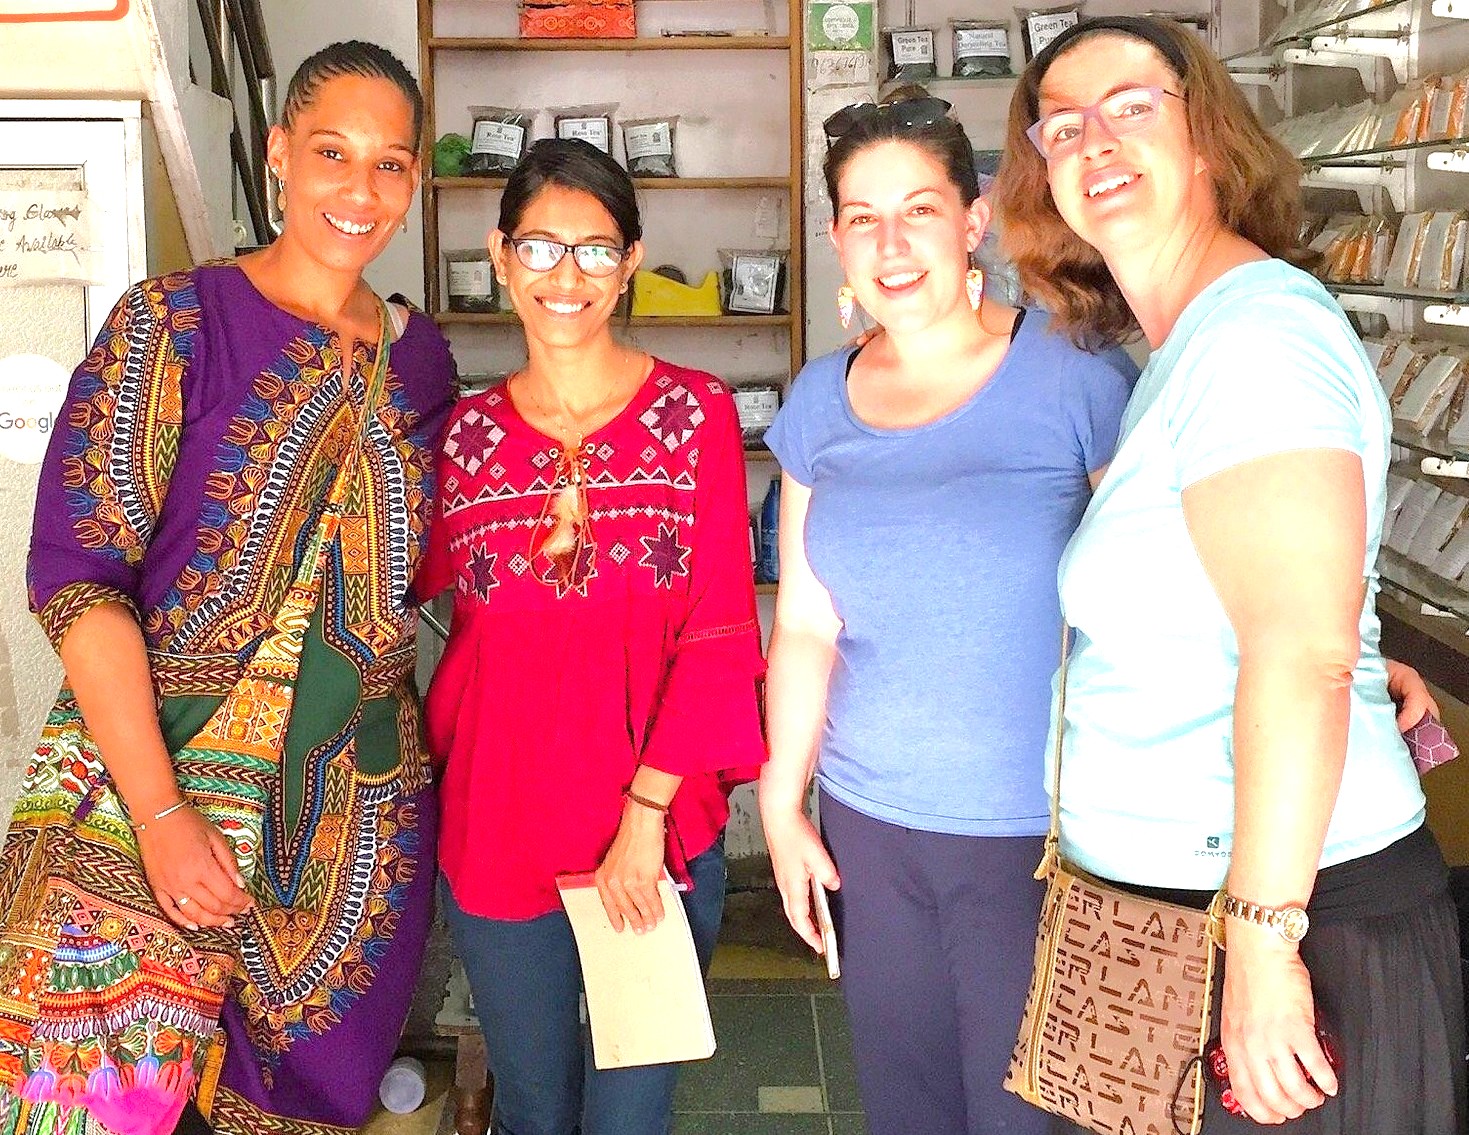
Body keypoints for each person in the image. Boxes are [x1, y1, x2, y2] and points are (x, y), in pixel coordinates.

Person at [993, 15, 1466, 1132]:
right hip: (1177, 914)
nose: (1094, 140)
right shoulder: (1186, 343)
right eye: (1061, 126)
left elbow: (1299, 657)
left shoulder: (1255, 337)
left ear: (1206, 135)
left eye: (1130, 107)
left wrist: (1260, 945)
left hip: (1281, 923)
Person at [4, 41, 455, 1135]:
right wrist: (160, 812)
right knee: (96, 1101)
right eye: (332, 152)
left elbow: (425, 572)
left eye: (390, 163)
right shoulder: (175, 325)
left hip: (347, 826)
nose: (360, 189)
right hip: (143, 790)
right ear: (278, 154)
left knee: (297, 1107)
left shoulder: (421, 363)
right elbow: (78, 577)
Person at [757, 95, 1138, 1135]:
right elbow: (806, 625)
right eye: (862, 217)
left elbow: (1159, 593)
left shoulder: (1074, 374)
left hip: (1040, 832)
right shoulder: (818, 401)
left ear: (972, 220)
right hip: (869, 826)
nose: (891, 244)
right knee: (907, 1107)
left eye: (918, 210)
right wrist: (781, 801)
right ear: (835, 237)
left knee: (1028, 1116)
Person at [416, 138, 765, 1135]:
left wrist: (644, 819)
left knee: (629, 1113)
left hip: (651, 827)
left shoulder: (693, 414)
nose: (565, 276)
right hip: (498, 823)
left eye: (595, 250)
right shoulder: (460, 440)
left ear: (629, 262)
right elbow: (381, 584)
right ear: (499, 255)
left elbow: (717, 631)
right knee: (533, 1108)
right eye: (538, 246)